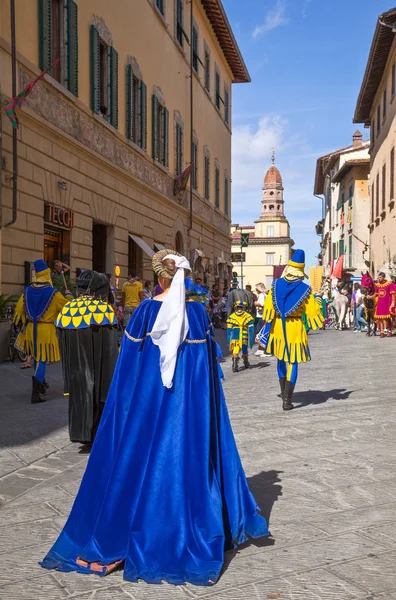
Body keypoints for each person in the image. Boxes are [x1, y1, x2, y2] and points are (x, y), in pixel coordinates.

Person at [40, 248, 268, 585]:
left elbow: (128, 367)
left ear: (157, 276)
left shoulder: (145, 312)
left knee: (136, 460)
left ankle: (119, 535)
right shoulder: (198, 314)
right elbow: (206, 372)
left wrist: (123, 409)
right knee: (188, 458)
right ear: (184, 276)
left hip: (149, 406)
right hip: (188, 409)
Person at [256, 250, 324, 410]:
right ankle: (287, 400)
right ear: (301, 270)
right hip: (295, 327)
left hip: (278, 327)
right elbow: (314, 313)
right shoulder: (305, 289)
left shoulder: (276, 284)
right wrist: (319, 299)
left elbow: (268, 309)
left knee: (280, 359)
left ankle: (283, 393)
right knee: (293, 361)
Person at [57, 270, 119, 444]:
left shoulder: (68, 308)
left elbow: (61, 340)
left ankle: (79, 433)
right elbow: (111, 346)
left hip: (75, 364)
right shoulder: (103, 309)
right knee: (97, 388)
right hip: (99, 363)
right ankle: (96, 432)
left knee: (79, 392)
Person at [13, 259, 72, 403]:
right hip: (46, 329)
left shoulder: (27, 291)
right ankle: (36, 393)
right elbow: (67, 307)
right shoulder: (54, 293)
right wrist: (69, 295)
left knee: (36, 356)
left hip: (31, 328)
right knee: (42, 359)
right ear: (47, 275)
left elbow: (18, 310)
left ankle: (42, 383)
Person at [227, 300, 255, 372]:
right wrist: (229, 339)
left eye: (241, 308)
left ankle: (245, 362)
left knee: (244, 349)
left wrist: (250, 339)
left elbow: (251, 328)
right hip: (235, 336)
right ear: (236, 308)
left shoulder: (247, 316)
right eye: (238, 307)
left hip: (243, 335)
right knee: (236, 349)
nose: (239, 309)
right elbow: (229, 329)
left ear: (244, 308)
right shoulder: (232, 317)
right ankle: (235, 364)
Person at [370, 272, 396, 337]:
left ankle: (389, 331)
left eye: (380, 277)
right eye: (378, 277)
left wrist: (393, 302)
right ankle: (381, 331)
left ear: (383, 277)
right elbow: (376, 293)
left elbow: (393, 293)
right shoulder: (377, 285)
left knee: (388, 318)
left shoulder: (389, 284)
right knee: (379, 318)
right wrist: (370, 297)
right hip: (380, 303)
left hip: (387, 303)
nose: (379, 278)